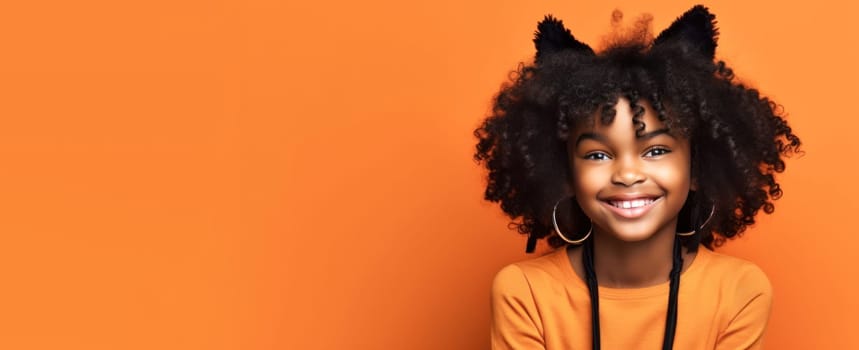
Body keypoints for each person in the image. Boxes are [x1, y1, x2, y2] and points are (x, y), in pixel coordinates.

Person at [472, 5, 802, 350]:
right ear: (566, 174)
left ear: (697, 168)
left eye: (656, 150)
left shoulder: (739, 291)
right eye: (597, 155)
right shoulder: (524, 293)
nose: (627, 174)